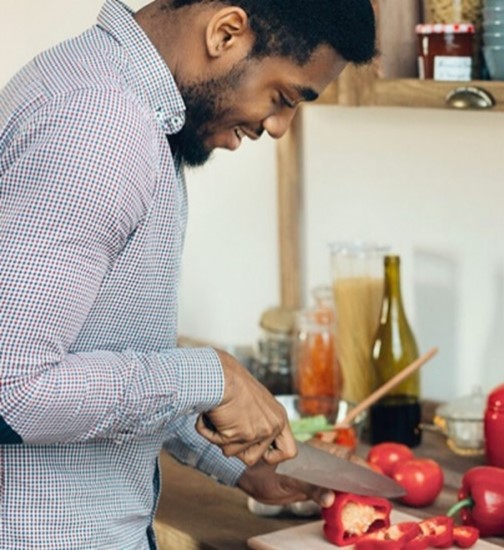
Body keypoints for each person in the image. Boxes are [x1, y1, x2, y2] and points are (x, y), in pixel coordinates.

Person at [0, 0, 376, 547]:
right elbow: (13, 386)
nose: (278, 127)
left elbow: (101, 350)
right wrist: (208, 376)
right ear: (226, 32)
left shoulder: (113, 95)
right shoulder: (101, 125)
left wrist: (239, 465)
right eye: (282, 97)